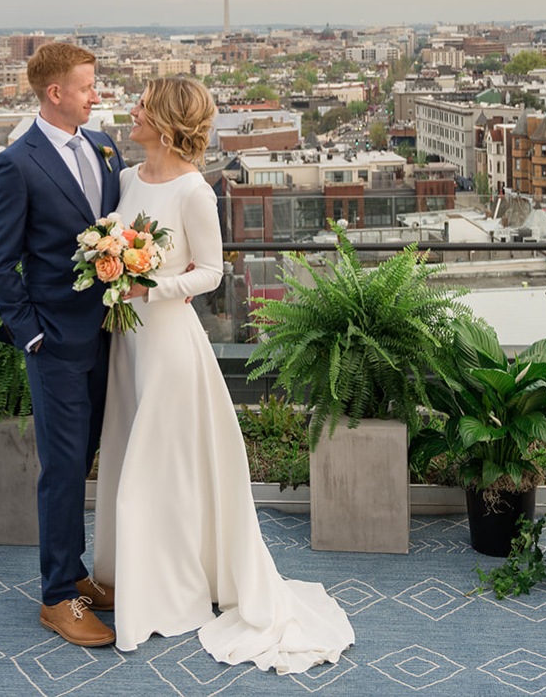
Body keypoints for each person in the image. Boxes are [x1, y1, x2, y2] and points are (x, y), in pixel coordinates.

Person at [93, 75, 355, 673]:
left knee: (156, 470)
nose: (130, 113)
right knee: (134, 455)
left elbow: (210, 272)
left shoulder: (194, 192)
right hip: (127, 347)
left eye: (140, 105)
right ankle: (136, 575)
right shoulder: (129, 180)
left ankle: (167, 592)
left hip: (169, 349)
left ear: (162, 123)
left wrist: (149, 286)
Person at [0, 42, 122, 647]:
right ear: (54, 93)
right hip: (55, 342)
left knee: (87, 455)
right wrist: (31, 332)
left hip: (110, 334)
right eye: (88, 86)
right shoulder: (16, 163)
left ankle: (78, 572)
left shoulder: (103, 148)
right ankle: (57, 596)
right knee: (62, 468)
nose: (97, 95)